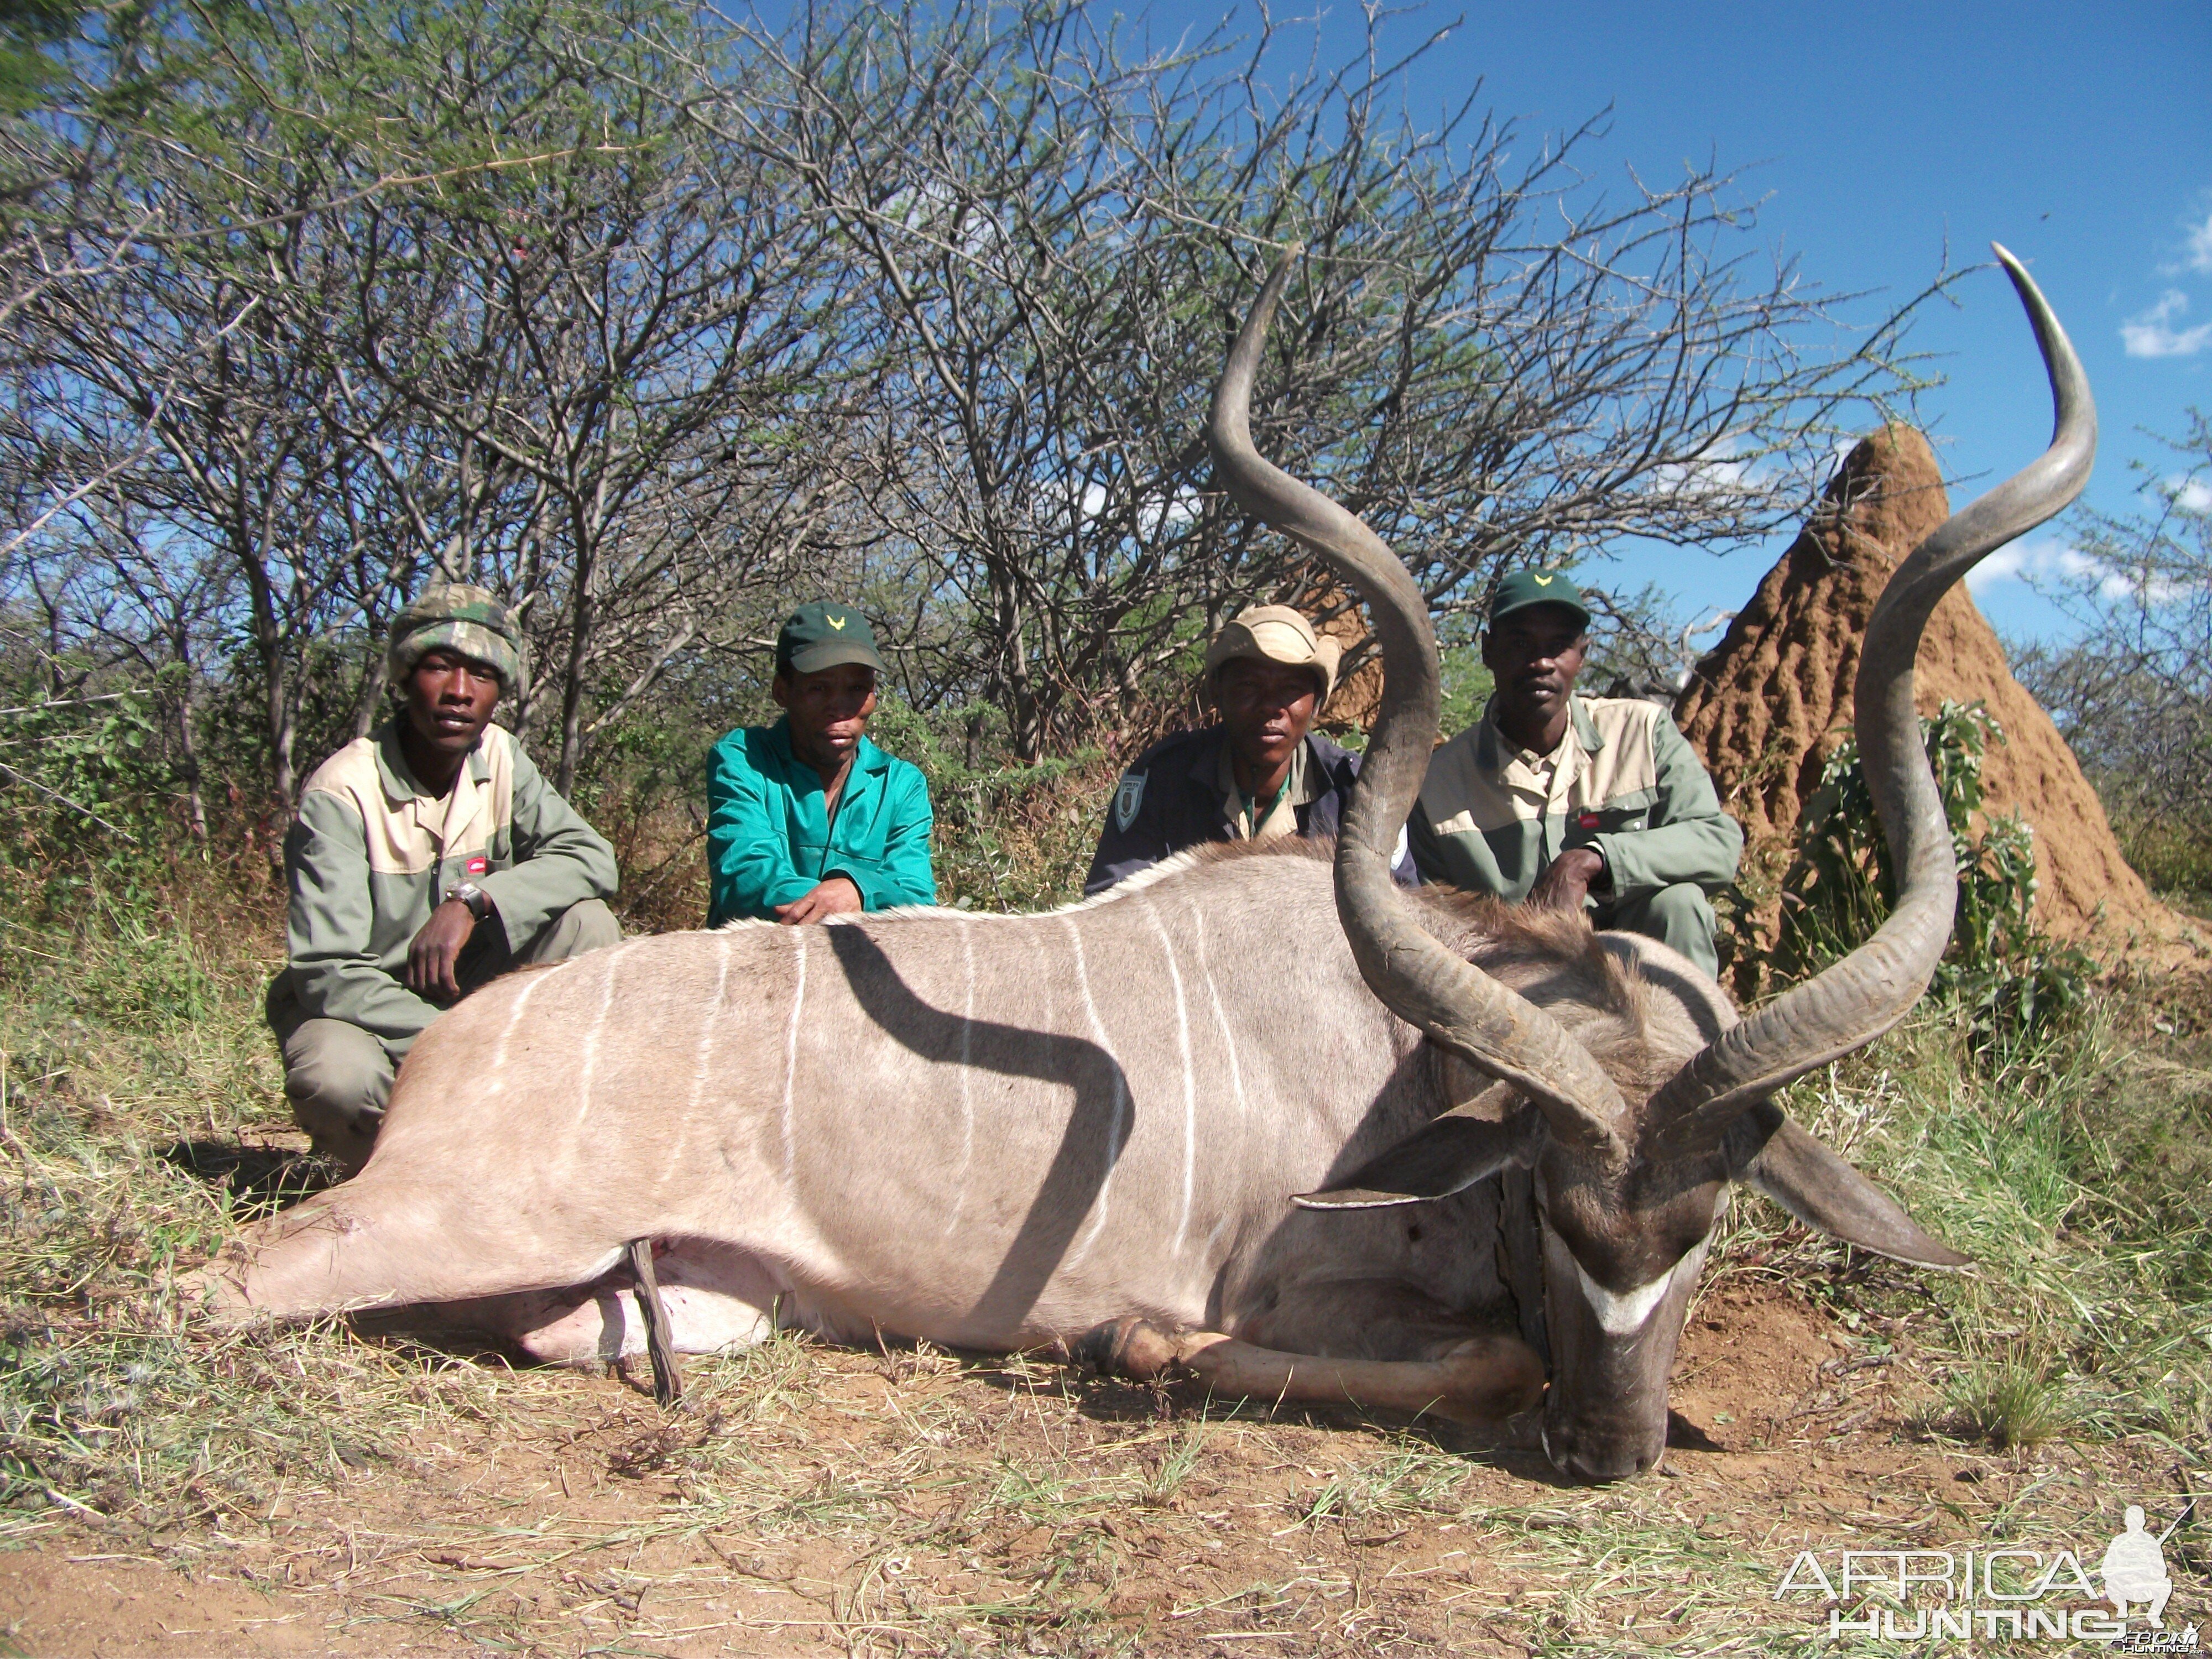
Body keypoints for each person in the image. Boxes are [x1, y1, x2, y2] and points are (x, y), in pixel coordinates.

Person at [268, 581, 622, 1171]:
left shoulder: (502, 758)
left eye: (481, 675)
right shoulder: (342, 791)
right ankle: (404, 1170)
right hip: (374, 1015)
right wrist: (465, 1043)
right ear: (405, 679)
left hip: (471, 992)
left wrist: (475, 899)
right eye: (439, 668)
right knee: (334, 1075)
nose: (460, 693)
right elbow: (329, 972)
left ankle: (545, 1145)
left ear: (499, 691)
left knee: (587, 923)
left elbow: (590, 857)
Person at [1410, 571, 1741, 977]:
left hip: (1637, 972)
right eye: (1520, 644)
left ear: (1582, 654)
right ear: (1488, 651)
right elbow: (1427, 919)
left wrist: (1593, 861)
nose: (1541, 663)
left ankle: (1690, 1042)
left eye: (1559, 646)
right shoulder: (1439, 782)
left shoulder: (1643, 733)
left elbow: (1718, 843)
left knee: (1679, 905)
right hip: (1513, 982)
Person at [1086, 604, 1417, 894]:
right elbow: (1112, 902)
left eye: (1291, 690)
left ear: (1316, 704)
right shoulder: (1161, 777)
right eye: (1249, 686)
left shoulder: (1355, 789)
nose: (1271, 707)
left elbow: (1400, 910)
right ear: (1219, 695)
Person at [706, 601, 936, 927]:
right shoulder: (743, 758)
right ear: (782, 691)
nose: (840, 708)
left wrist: (858, 891)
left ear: (873, 694)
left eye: (857, 688)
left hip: (856, 972)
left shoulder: (901, 783)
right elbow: (742, 876)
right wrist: (847, 902)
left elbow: (917, 897)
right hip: (751, 966)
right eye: (819, 688)